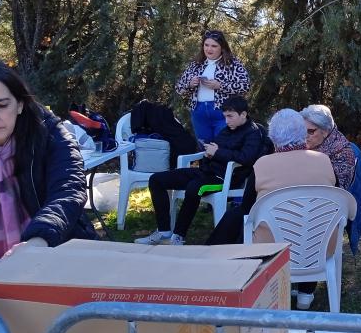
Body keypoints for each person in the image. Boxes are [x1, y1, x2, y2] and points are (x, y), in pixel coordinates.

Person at [0, 61, 95, 292]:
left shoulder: (51, 135)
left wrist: (37, 242)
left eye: (2, 105)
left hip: (61, 259)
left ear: (20, 104)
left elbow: (68, 190)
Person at [205, 108, 349, 311]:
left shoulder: (262, 166)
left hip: (273, 249)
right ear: (302, 134)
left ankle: (210, 267)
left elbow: (247, 210)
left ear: (273, 138)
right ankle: (305, 293)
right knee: (310, 220)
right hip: (319, 247)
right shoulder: (324, 161)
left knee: (238, 216)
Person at [136, 95, 264, 245]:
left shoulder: (253, 133)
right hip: (205, 171)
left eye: (230, 116)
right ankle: (163, 230)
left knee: (194, 187)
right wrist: (208, 153)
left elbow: (246, 158)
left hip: (224, 178)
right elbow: (217, 149)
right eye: (225, 116)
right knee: (156, 180)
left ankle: (178, 236)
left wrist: (217, 152)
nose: (227, 121)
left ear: (243, 114)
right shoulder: (227, 129)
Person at [175, 29, 251, 144]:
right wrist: (190, 84)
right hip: (199, 112)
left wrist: (220, 85)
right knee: (204, 147)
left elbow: (245, 86)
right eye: (206, 45)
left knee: (222, 146)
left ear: (222, 47)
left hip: (223, 111)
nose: (209, 49)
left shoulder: (233, 63)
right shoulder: (196, 64)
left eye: (214, 46)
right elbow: (179, 88)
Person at [301, 104, 356, 188]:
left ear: (325, 131)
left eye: (310, 131)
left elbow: (337, 191)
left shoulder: (343, 153)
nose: (305, 135)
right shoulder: (306, 145)